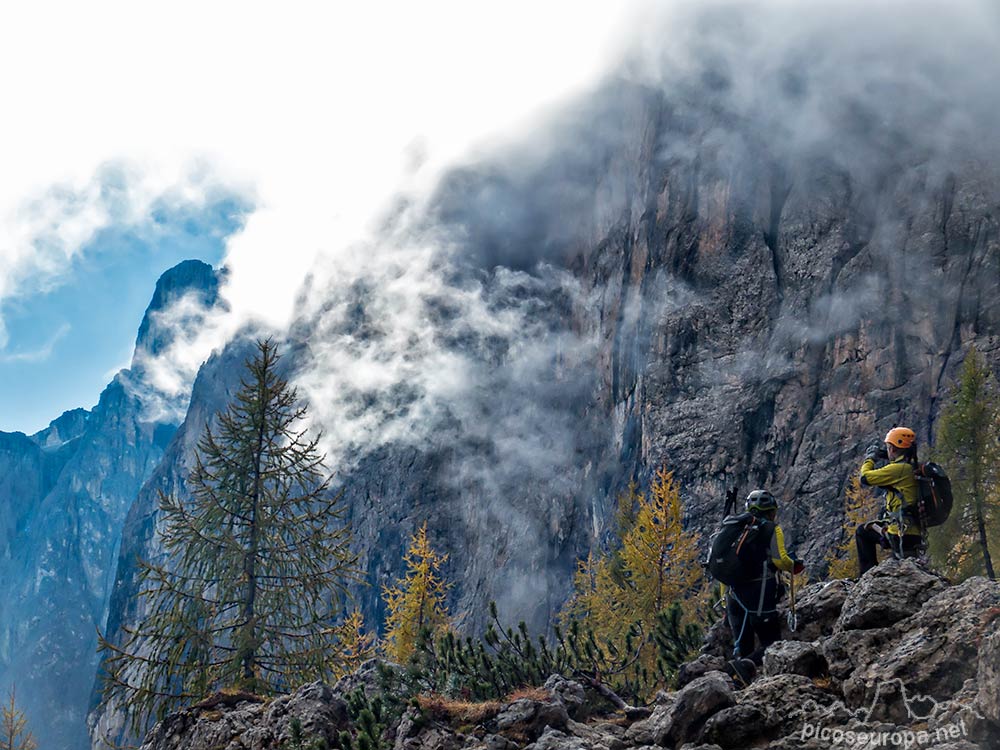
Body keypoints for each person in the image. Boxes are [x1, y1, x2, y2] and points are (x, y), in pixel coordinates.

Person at [724, 490, 804, 684]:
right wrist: (796, 565)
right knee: (772, 644)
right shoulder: (770, 529)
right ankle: (740, 669)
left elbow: (724, 567)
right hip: (758, 594)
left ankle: (739, 685)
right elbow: (780, 559)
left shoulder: (735, 528)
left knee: (744, 645)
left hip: (733, 594)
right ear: (771, 511)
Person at [855, 427, 922, 575]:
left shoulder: (898, 470)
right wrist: (885, 455)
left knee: (862, 532)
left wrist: (870, 458)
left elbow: (865, 477)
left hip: (899, 533)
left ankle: (866, 576)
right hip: (913, 531)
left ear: (891, 448)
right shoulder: (911, 467)